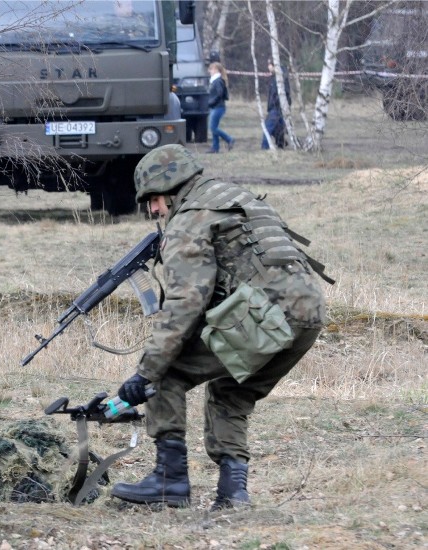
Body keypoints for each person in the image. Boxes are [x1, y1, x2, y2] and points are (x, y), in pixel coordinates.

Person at [110, 145, 329, 510]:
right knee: (232, 391)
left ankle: (170, 480)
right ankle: (233, 493)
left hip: (265, 317)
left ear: (170, 188)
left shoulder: (188, 221)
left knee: (167, 374)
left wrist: (145, 372)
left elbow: (184, 304)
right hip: (308, 316)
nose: (152, 210)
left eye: (152, 200)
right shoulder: (234, 197)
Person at [261, 60, 292, 150]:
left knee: (268, 128)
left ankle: (264, 147)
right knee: (278, 128)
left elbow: (283, 93)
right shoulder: (276, 77)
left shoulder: (279, 77)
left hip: (276, 107)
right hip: (276, 107)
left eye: (269, 65)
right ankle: (281, 144)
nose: (268, 67)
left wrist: (275, 103)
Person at [206, 62, 234, 153]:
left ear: (216, 70)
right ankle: (215, 148)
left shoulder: (217, 81)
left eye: (211, 69)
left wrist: (211, 102)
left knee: (213, 128)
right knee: (214, 127)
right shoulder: (216, 80)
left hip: (218, 107)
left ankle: (229, 139)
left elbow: (219, 93)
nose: (209, 71)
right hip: (216, 107)